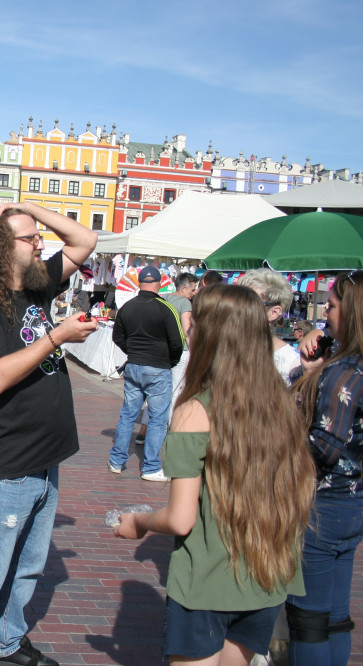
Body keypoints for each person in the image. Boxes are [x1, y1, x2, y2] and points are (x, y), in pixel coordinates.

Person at [116, 284, 315, 666]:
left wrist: (139, 523)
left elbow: (180, 518)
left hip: (208, 578)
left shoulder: (195, 410)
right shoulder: (281, 403)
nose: (188, 329)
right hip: (266, 573)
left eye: (195, 322)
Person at [0, 201, 97, 665]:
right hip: (8, 459)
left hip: (45, 455)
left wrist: (29, 207)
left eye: (37, 236)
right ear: (0, 247)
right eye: (30, 237)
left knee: (28, 566)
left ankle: (9, 642)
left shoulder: (36, 287)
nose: (40, 243)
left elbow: (85, 241)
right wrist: (57, 338)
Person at [286, 270, 363, 666]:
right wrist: (309, 371)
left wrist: (277, 463)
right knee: (335, 616)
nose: (326, 316)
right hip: (355, 502)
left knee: (309, 620)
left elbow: (324, 445)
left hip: (322, 505)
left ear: (354, 313)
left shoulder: (345, 371)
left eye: (331, 307)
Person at [108, 266, 183, 481]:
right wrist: (170, 361)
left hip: (135, 365)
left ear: (139, 282)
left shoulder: (127, 307)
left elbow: (117, 337)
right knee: (158, 419)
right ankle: (150, 467)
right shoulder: (165, 308)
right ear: (160, 283)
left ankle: (117, 460)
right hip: (158, 367)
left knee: (128, 415)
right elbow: (177, 341)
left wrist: (132, 351)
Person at [236, 268, 300, 384]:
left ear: (274, 312)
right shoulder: (224, 349)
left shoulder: (292, 363)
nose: (237, 307)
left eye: (249, 302)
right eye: (236, 300)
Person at [165, 272, 198, 419]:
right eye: (192, 290)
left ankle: (144, 430)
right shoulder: (184, 303)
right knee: (175, 391)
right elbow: (187, 331)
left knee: (157, 391)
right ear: (183, 288)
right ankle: (171, 426)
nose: (194, 293)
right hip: (180, 351)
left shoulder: (164, 298)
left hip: (162, 350)